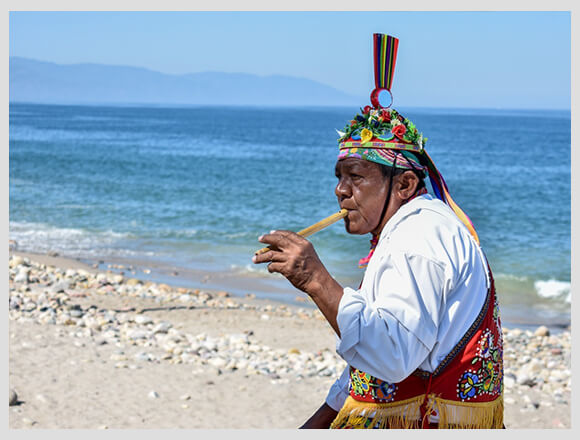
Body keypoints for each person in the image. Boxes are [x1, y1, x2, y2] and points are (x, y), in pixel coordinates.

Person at [252, 35, 503, 429]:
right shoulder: (415, 228)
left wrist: (316, 279)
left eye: (356, 177)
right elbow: (368, 375)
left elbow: (392, 358)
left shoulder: (417, 239)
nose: (340, 191)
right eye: (339, 177)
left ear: (403, 185)